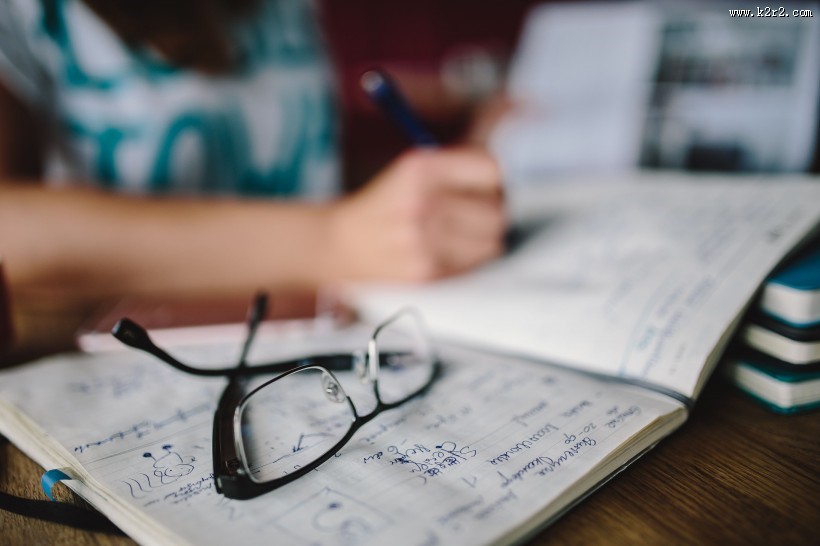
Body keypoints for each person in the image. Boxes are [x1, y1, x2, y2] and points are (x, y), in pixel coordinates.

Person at [0, 0, 506, 319]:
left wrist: (425, 188)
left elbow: (301, 168)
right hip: (128, 357)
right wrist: (335, 238)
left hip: (326, 325)